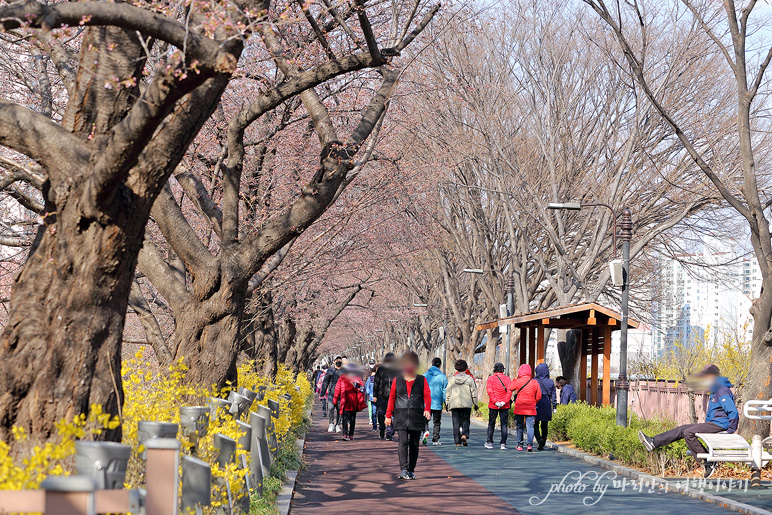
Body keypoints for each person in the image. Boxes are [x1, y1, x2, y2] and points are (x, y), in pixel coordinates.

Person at [639, 364, 739, 478]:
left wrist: (730, 430)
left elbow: (733, 411)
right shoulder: (715, 390)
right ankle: (653, 442)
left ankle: (708, 461)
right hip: (714, 423)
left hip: (721, 424)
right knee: (683, 429)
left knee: (689, 433)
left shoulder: (721, 389)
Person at [385, 351, 431, 480]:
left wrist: (427, 408)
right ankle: (403, 469)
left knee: (414, 444)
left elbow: (427, 395)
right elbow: (392, 397)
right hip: (401, 415)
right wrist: (388, 415)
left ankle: (411, 470)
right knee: (403, 442)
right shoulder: (397, 379)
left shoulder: (422, 379)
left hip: (417, 415)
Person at [508, 364, 542, 451]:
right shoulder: (535, 382)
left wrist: (515, 378)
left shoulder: (519, 381)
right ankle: (529, 445)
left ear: (520, 372)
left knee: (519, 426)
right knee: (530, 426)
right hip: (530, 408)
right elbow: (539, 395)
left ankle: (520, 445)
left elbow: (510, 387)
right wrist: (534, 402)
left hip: (519, 407)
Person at [446, 359, 478, 447]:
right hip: (467, 403)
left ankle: (457, 442)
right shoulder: (470, 379)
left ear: (456, 368)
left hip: (455, 403)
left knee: (456, 423)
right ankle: (464, 434)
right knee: (466, 420)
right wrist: (475, 403)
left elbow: (448, 392)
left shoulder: (452, 379)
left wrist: (447, 403)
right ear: (465, 367)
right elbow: (474, 392)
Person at [333, 363, 365, 441]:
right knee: (345, 418)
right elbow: (337, 389)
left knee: (352, 419)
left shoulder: (356, 378)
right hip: (345, 401)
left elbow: (362, 388)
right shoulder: (342, 378)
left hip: (354, 402)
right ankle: (345, 434)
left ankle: (350, 434)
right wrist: (335, 399)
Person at [373, 353, 399, 440]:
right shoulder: (381, 369)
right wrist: (375, 395)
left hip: (394, 396)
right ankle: (382, 428)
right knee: (380, 413)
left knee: (394, 414)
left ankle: (390, 433)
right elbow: (376, 382)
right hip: (382, 395)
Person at [485, 362, 511, 450]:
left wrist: (496, 402)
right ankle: (503, 444)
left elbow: (490, 391)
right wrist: (504, 401)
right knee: (504, 425)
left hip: (493, 405)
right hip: (505, 405)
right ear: (503, 370)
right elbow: (509, 392)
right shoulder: (507, 379)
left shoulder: (490, 379)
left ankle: (489, 442)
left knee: (491, 424)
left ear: (494, 369)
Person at [424, 357, 448, 445]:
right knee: (437, 422)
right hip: (437, 403)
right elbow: (445, 391)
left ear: (431, 364)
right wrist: (446, 402)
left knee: (425, 420)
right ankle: (435, 439)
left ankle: (425, 431)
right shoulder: (443, 377)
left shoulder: (425, 375)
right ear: (440, 366)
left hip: (426, 403)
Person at [533, 363, 557, 450]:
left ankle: (539, 440)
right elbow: (553, 395)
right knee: (545, 424)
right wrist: (554, 406)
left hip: (536, 403)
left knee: (535, 423)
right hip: (547, 403)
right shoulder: (550, 382)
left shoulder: (534, 381)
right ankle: (543, 441)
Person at [321, 356, 344, 432]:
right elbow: (325, 382)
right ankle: (331, 424)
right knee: (330, 408)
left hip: (341, 394)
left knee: (340, 410)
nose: (338, 361)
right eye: (337, 360)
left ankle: (338, 425)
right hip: (332, 394)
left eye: (340, 360)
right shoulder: (330, 371)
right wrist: (322, 392)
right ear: (334, 361)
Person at [365, 365, 378, 431]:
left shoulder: (382, 378)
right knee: (374, 412)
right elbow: (367, 386)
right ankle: (374, 426)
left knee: (381, 413)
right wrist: (370, 394)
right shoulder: (371, 378)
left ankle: (382, 427)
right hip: (373, 397)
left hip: (381, 398)